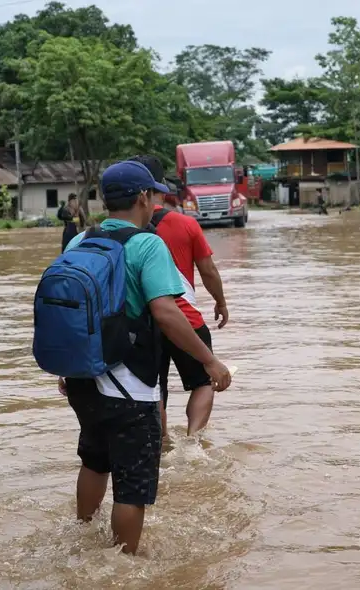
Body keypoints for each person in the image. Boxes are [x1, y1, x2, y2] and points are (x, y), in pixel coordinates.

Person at [59, 159, 232, 555]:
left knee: (94, 459)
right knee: (132, 485)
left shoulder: (78, 241)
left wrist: (69, 367)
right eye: (153, 193)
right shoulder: (145, 243)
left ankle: (82, 534)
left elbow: (69, 309)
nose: (155, 200)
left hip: (83, 379)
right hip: (130, 386)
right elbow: (167, 312)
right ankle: (125, 567)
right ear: (143, 197)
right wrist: (209, 360)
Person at [129, 155, 228, 437]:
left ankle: (161, 444)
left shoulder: (119, 227)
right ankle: (192, 441)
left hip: (145, 322)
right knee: (203, 382)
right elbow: (208, 270)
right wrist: (220, 301)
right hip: (186, 318)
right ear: (159, 185)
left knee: (153, 388)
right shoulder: (185, 224)